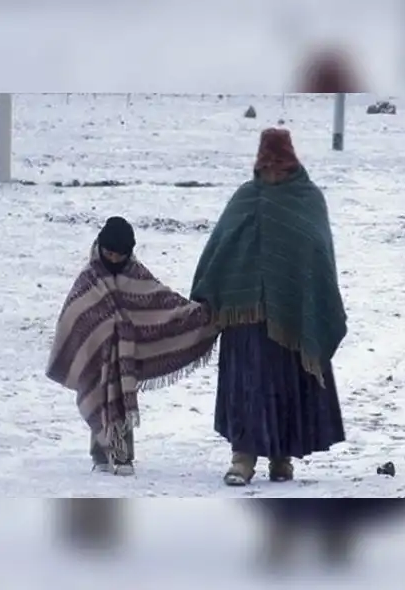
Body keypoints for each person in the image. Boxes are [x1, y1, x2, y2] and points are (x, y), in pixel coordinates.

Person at [190, 128, 348, 486]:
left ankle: (282, 458)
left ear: (292, 164)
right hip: (246, 316)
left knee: (286, 386)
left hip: (291, 317)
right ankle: (242, 458)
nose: (273, 171)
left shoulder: (308, 200)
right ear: (258, 165)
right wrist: (208, 292)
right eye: (267, 164)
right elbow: (221, 246)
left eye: (280, 164)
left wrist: (308, 298)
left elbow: (317, 253)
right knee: (248, 386)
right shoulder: (245, 198)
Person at [47, 217, 219, 476]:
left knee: (120, 393)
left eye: (120, 254)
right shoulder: (88, 278)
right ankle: (102, 454)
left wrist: (200, 316)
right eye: (109, 253)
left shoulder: (136, 274)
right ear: (101, 247)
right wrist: (102, 331)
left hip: (125, 354)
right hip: (98, 352)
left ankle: (123, 455)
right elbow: (74, 315)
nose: (114, 259)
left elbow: (162, 303)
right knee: (99, 390)